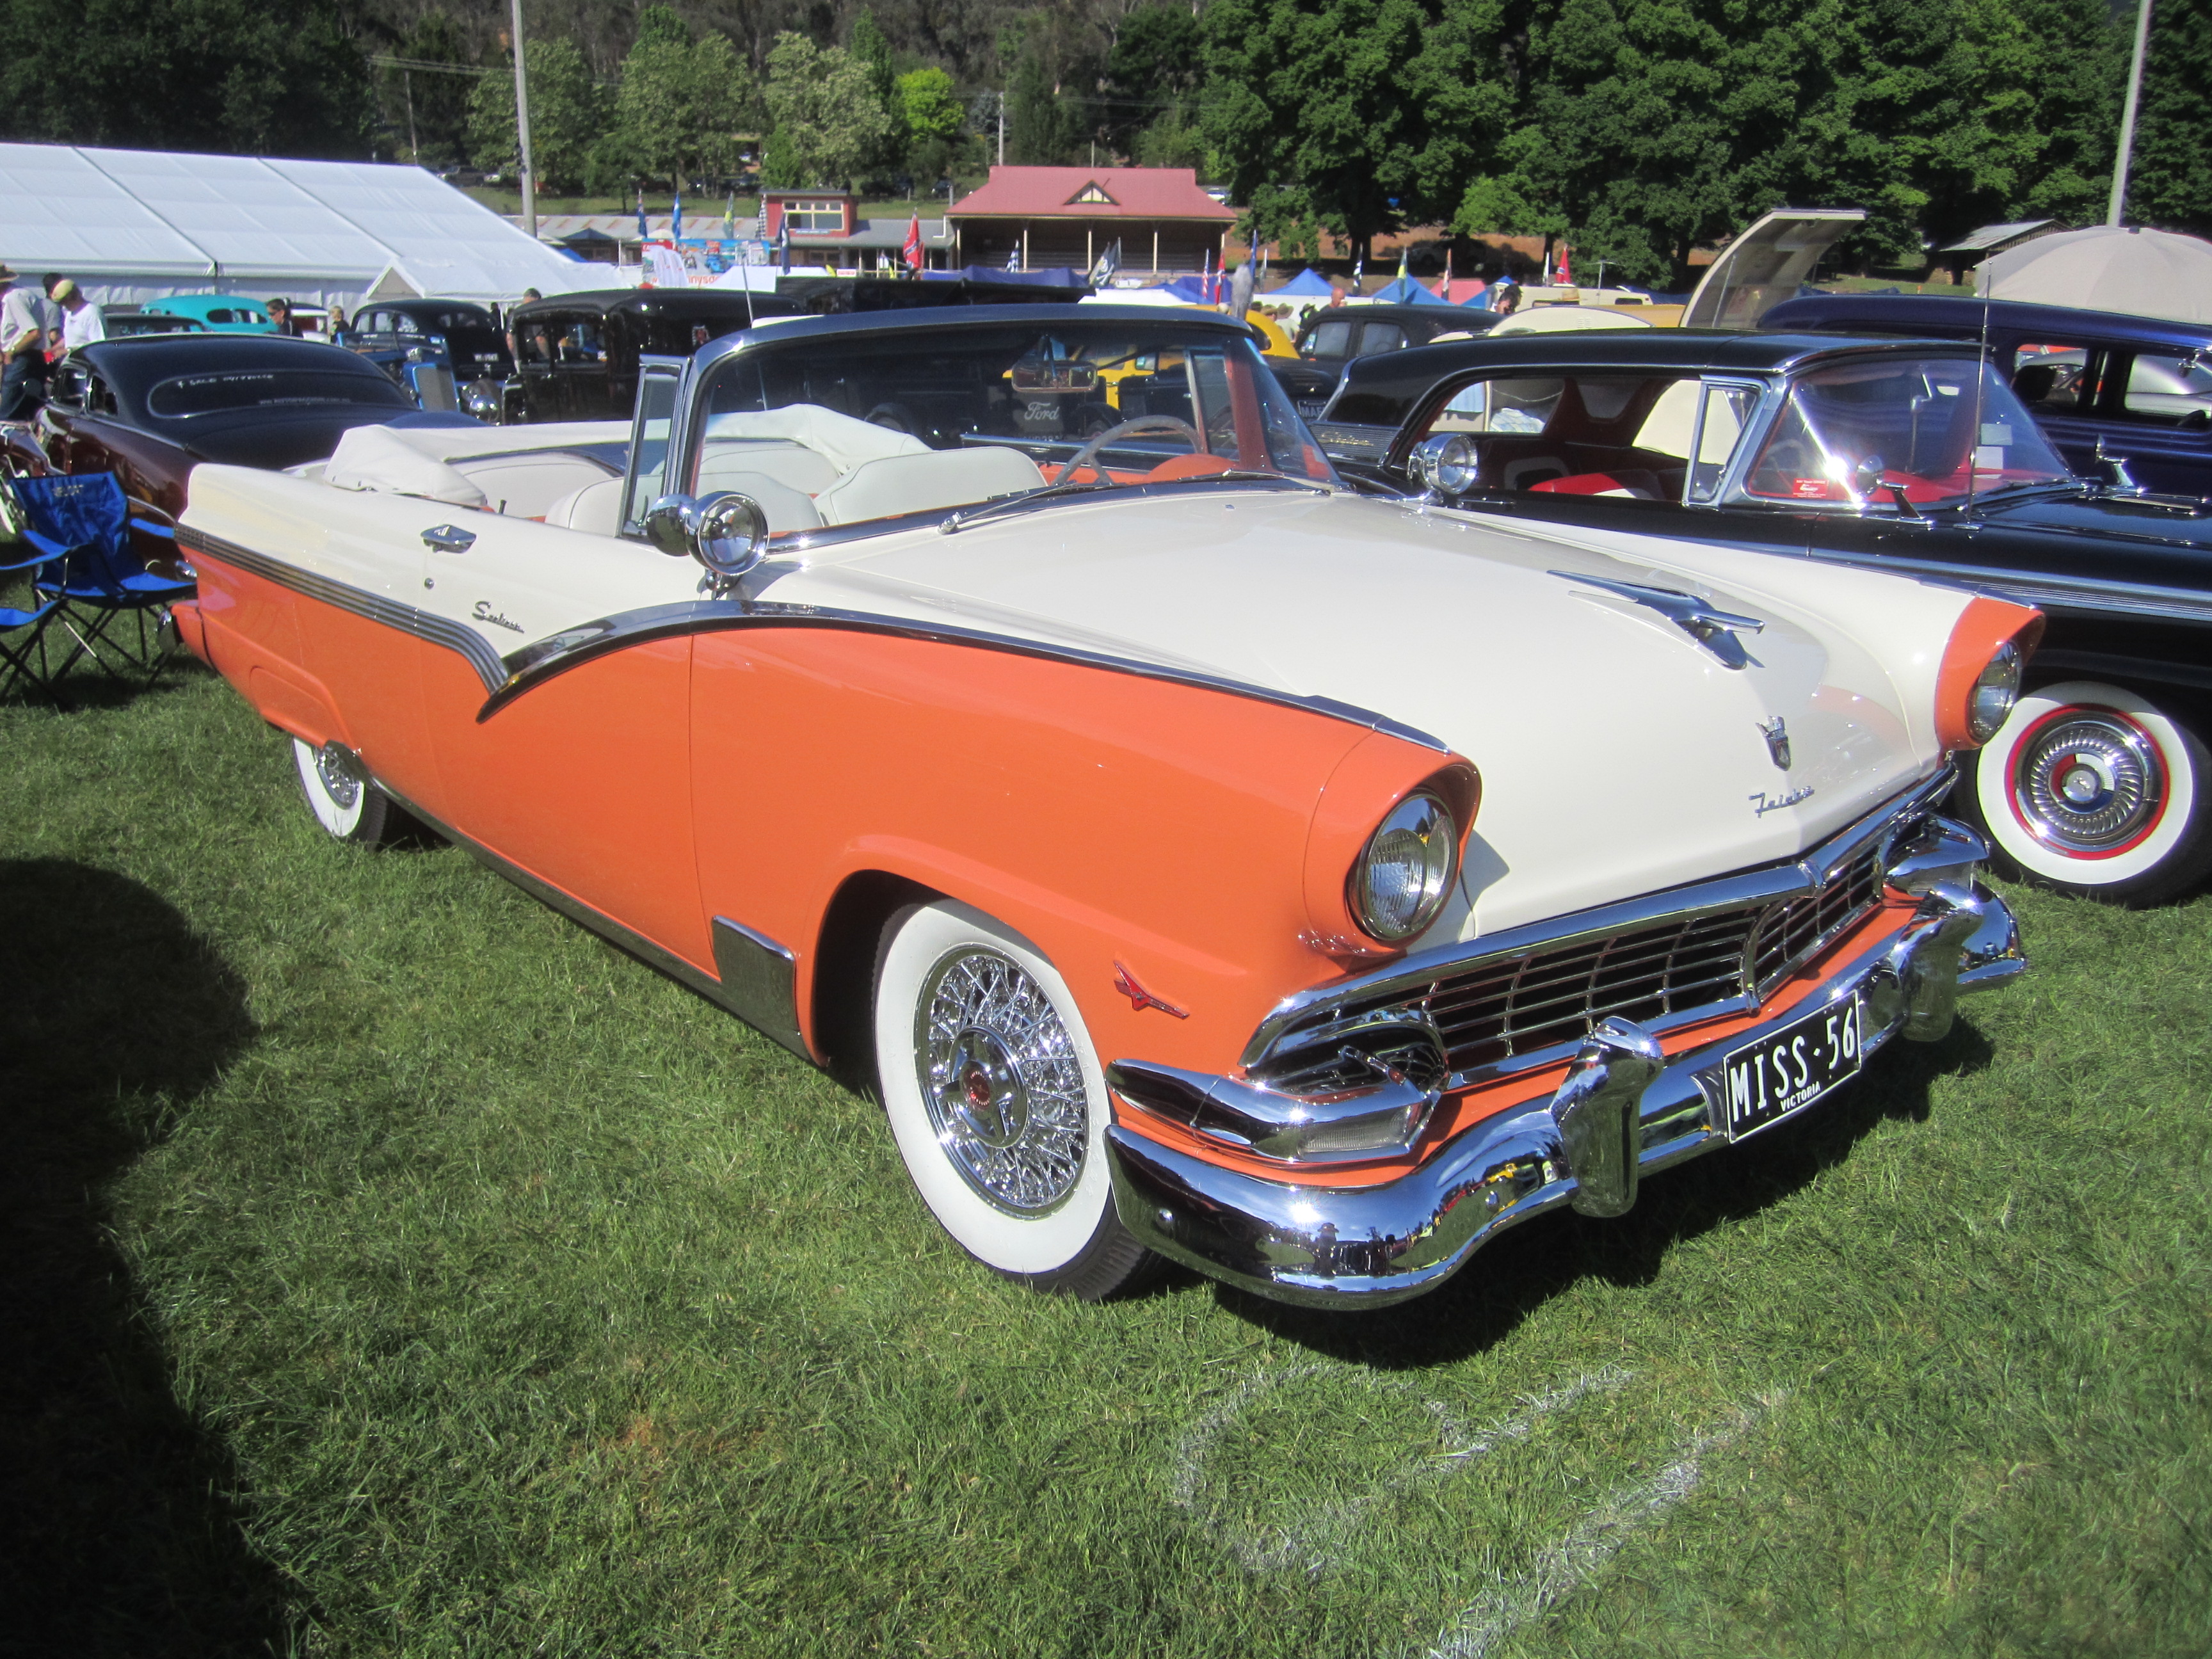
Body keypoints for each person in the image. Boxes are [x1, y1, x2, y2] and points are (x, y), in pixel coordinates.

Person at [1, 264, 58, 418]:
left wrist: (12, 352)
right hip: (30, 360)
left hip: (23, 359)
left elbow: (34, 334)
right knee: (31, 414)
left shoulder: (14, 299)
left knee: (6, 414)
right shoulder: (19, 295)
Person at [55, 278, 104, 349]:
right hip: (70, 358)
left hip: (84, 359)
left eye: (64, 301)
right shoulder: (69, 313)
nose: (63, 305)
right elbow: (70, 340)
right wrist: (52, 350)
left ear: (72, 296)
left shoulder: (92, 313)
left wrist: (69, 351)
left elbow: (98, 345)